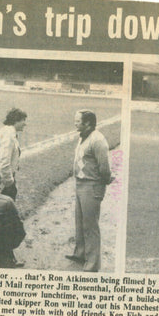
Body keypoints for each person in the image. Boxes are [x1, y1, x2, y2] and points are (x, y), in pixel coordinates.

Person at [65, 109, 113, 272]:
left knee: (90, 225)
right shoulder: (83, 137)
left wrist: (104, 183)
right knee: (80, 221)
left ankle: (92, 263)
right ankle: (80, 253)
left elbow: (104, 168)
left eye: (78, 121)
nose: (75, 123)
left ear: (88, 123)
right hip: (80, 183)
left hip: (91, 185)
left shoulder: (98, 140)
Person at [0, 108, 27, 200]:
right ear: (16, 120)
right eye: (23, 120)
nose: (25, 123)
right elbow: (4, 161)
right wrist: (9, 182)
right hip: (3, 181)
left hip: (0, 178)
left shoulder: (7, 132)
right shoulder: (8, 135)